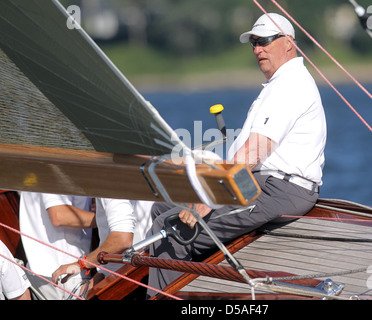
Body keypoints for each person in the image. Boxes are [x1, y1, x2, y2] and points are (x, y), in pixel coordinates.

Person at [146, 12, 326, 297]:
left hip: (278, 190)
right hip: (259, 184)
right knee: (159, 209)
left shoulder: (291, 85)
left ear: (288, 43)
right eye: (253, 43)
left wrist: (212, 197)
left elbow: (255, 151)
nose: (257, 50)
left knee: (173, 229)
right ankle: (180, 287)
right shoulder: (281, 84)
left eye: (265, 41)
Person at [51, 199, 153, 283]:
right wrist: (97, 278)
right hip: (139, 271)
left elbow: (122, 239)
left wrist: (82, 264)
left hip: (129, 279)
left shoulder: (110, 180)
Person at [19, 192, 95, 299]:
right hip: (64, 274)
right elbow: (59, 215)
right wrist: (106, 220)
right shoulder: (54, 175)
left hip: (53, 271)